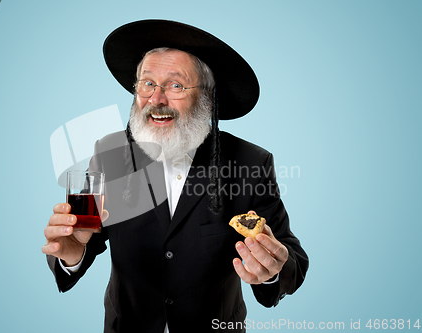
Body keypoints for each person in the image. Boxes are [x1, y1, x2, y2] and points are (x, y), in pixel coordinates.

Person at [42, 20, 308, 333]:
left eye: (176, 85)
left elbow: (292, 260)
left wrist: (273, 269)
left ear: (207, 98)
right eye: (147, 83)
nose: (156, 99)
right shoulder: (109, 154)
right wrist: (73, 253)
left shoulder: (251, 162)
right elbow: (84, 235)